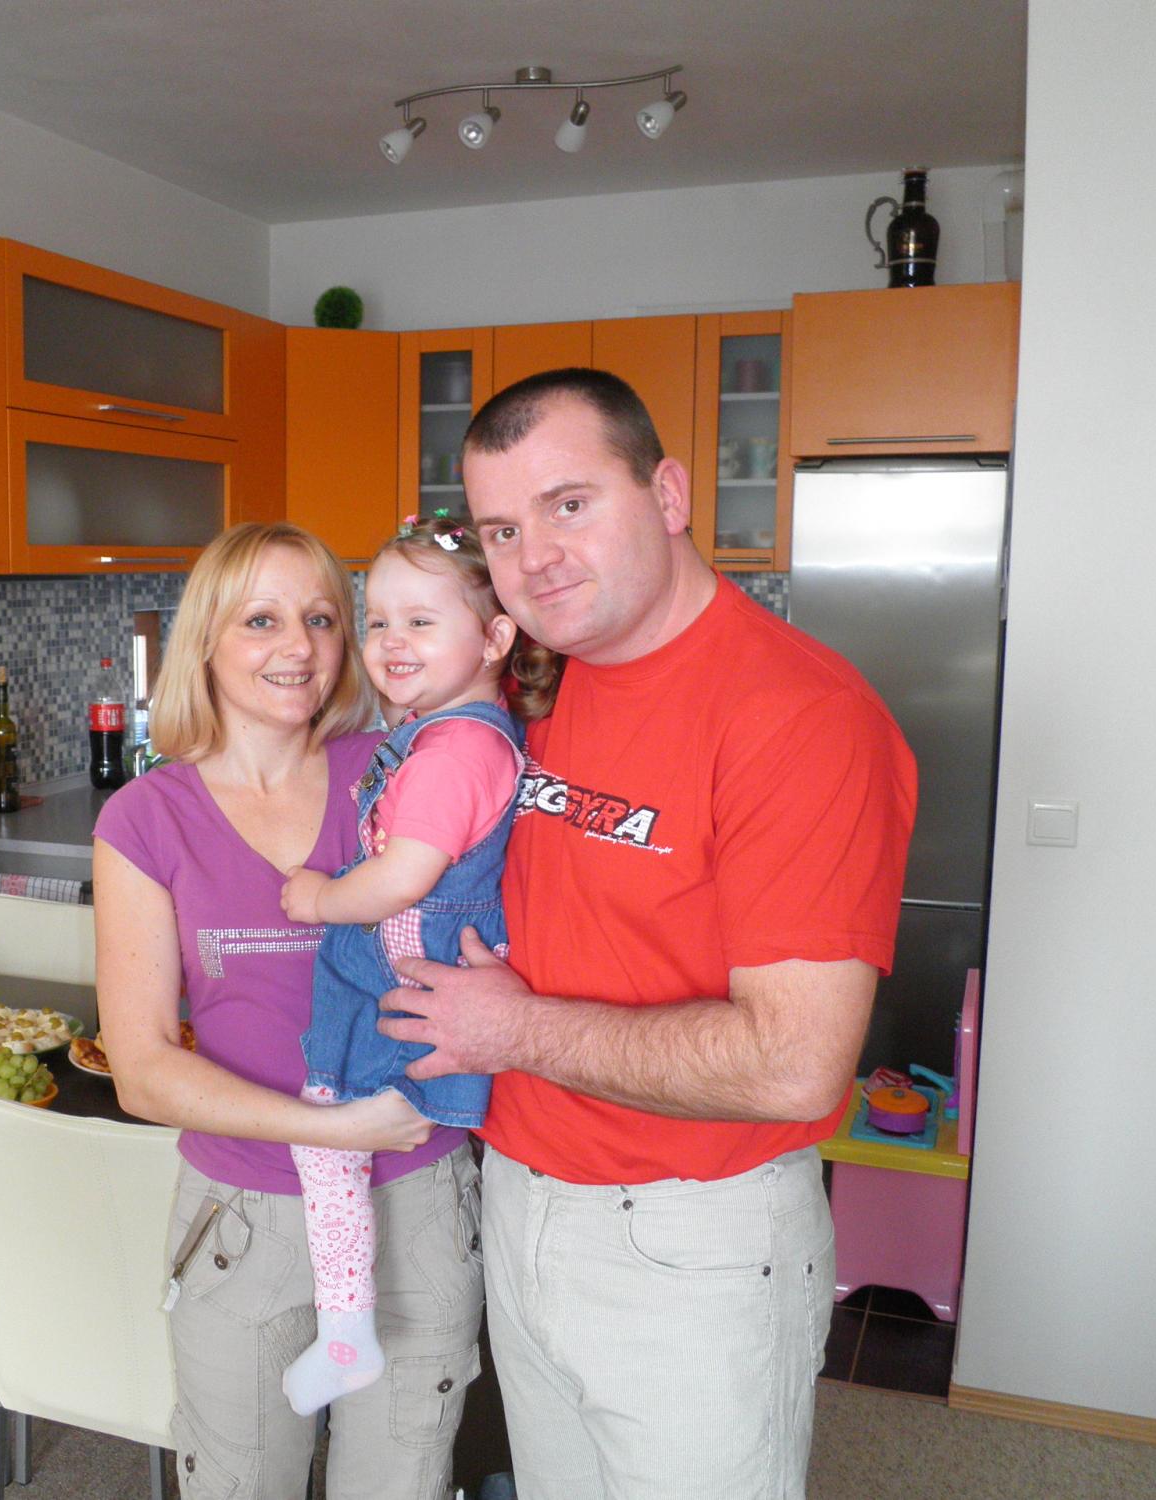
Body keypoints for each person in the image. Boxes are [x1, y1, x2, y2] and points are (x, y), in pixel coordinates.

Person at [381, 369, 918, 1500]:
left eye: (569, 505)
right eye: (502, 529)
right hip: (521, 1197)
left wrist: (511, 1031)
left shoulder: (800, 718)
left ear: (668, 495)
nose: (535, 557)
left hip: (691, 1240)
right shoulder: (534, 687)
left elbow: (792, 1063)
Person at [94, 521, 486, 1500]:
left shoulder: (397, 770)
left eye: (320, 618)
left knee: (399, 1482)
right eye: (261, 620)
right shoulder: (145, 818)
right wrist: (330, 1128)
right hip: (244, 1221)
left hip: (412, 1197)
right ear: (206, 641)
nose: (299, 647)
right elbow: (141, 1070)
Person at [275, 514, 526, 1416]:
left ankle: (346, 1331)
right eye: (377, 620)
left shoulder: (456, 752)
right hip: (402, 967)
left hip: (404, 977)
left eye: (421, 621)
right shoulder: (451, 732)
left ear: (494, 638)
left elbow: (402, 880)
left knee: (323, 1136)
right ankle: (347, 1327)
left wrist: (319, 899)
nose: (390, 641)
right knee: (329, 1134)